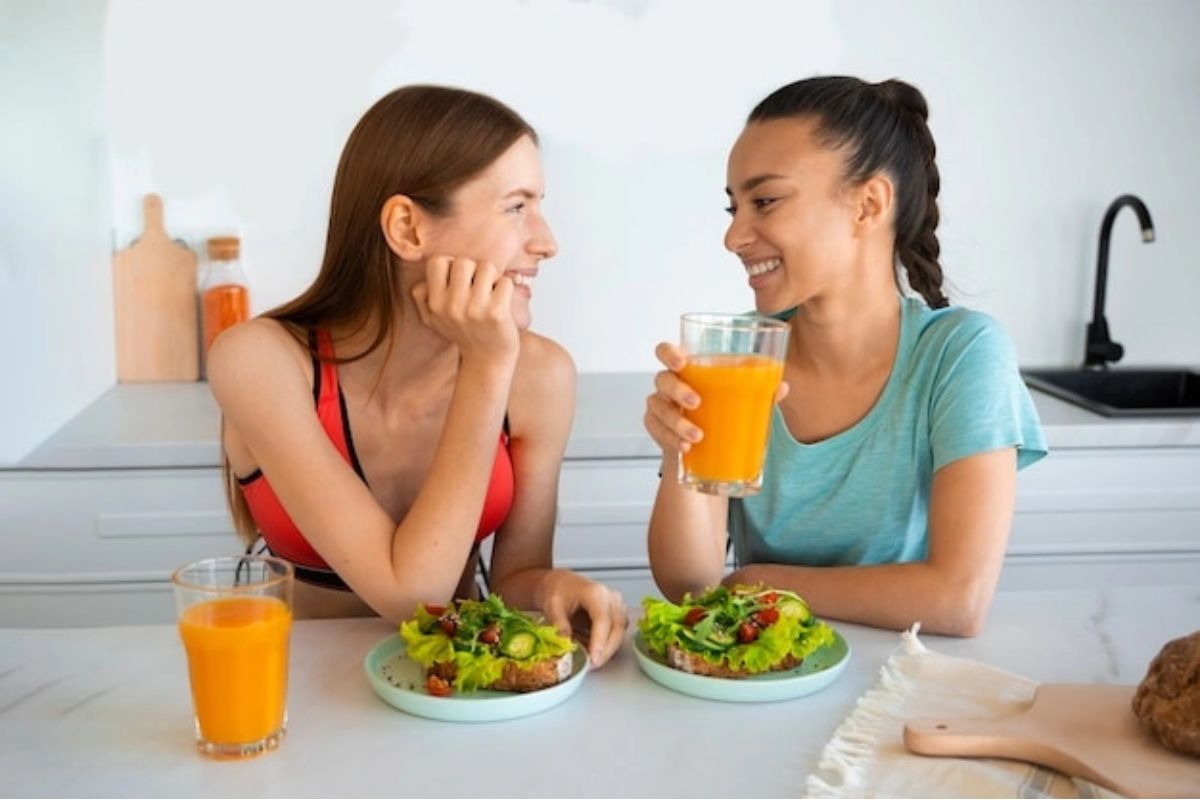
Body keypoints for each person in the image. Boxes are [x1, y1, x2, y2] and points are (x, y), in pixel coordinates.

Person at [208, 85, 626, 666]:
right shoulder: (260, 361)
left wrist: (550, 586)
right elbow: (414, 596)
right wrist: (484, 364)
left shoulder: (541, 376)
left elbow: (513, 578)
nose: (546, 241)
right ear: (407, 228)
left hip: (457, 683)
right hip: (296, 687)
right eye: (516, 207)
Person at [644, 76, 1047, 637]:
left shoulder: (958, 354)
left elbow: (958, 600)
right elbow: (690, 585)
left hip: (905, 684)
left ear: (868, 204)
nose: (734, 236)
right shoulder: (738, 356)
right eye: (733, 207)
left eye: (765, 201)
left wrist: (757, 581)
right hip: (769, 682)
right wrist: (679, 456)